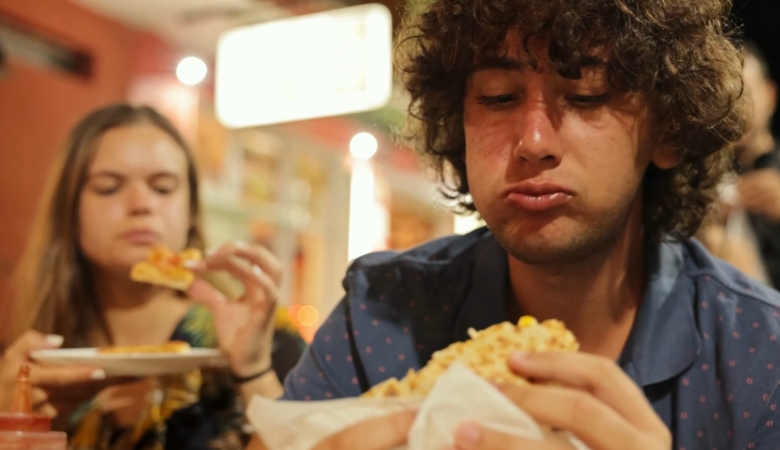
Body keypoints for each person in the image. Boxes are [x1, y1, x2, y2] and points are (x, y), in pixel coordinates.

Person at [249, 0, 780, 448]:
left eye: (586, 95)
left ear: (667, 130)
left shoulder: (760, 355)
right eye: (498, 97)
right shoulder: (382, 311)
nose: (533, 143)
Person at [0, 104, 306, 449]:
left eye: (163, 188)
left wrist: (254, 370)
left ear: (191, 212)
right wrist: (3, 429)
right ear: (70, 212)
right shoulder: (39, 360)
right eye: (108, 187)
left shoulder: (264, 336)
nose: (141, 204)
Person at [698, 41, 780, 287]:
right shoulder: (701, 176)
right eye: (723, 98)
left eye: (744, 94)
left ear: (769, 94)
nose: (734, 109)